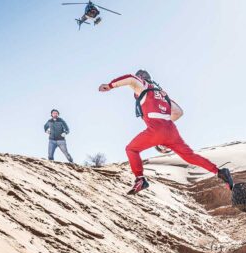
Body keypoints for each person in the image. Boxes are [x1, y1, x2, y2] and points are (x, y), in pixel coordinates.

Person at [98, 70, 233, 195]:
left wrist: (110, 85)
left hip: (156, 129)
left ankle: (140, 179)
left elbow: (130, 78)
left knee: (131, 149)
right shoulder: (163, 94)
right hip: (171, 130)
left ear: (142, 78)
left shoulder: (143, 86)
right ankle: (220, 172)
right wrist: (165, 125)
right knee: (189, 156)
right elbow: (179, 112)